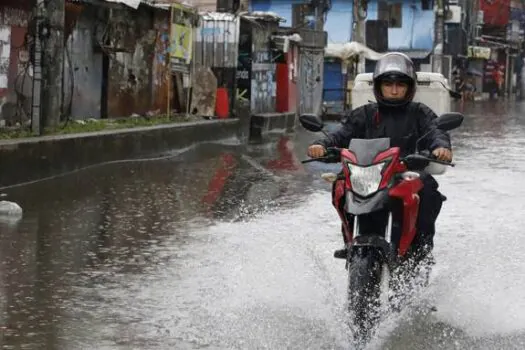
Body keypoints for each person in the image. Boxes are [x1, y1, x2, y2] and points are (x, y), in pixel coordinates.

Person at [307, 52, 453, 261]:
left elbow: (437, 131)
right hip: (370, 174)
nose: (394, 90)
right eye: (388, 84)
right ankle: (349, 241)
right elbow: (340, 135)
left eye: (400, 85)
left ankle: (420, 250)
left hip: (406, 172)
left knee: (429, 192)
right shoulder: (363, 114)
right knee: (340, 184)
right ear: (378, 86)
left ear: (409, 87)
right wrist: (320, 145)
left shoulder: (420, 112)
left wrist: (441, 148)